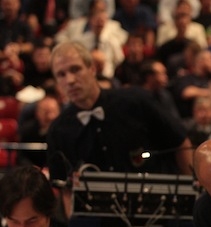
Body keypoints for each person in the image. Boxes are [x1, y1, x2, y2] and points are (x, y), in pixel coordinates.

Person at [46, 41, 193, 186]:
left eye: (75, 69)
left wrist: (190, 191)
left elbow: (180, 142)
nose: (70, 80)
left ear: (92, 69)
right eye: (61, 74)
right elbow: (62, 186)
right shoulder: (58, 130)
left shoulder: (135, 100)